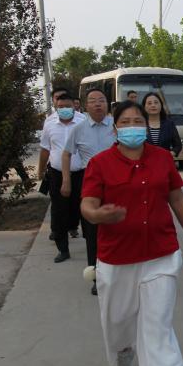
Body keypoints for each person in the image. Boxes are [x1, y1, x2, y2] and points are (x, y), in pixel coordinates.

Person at [80, 100, 183, 366]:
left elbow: (176, 196)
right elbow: (87, 204)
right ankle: (123, 351)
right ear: (115, 128)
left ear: (146, 125)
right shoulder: (100, 164)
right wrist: (98, 214)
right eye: (126, 121)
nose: (132, 126)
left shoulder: (162, 158)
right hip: (117, 256)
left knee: (156, 322)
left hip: (161, 252)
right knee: (117, 318)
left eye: (138, 121)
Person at [62, 88, 116, 295]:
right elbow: (66, 154)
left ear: (107, 104)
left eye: (101, 100)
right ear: (85, 106)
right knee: (92, 233)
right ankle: (97, 277)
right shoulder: (79, 129)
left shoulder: (117, 126)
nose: (97, 104)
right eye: (93, 101)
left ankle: (121, 274)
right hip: (90, 183)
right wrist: (66, 180)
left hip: (117, 181)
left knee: (118, 227)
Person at [37, 94, 86, 263]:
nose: (64, 109)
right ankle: (63, 249)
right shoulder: (50, 123)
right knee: (59, 211)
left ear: (74, 106)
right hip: (57, 173)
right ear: (56, 107)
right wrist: (40, 169)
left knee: (80, 208)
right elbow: (45, 149)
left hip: (80, 173)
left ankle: (80, 232)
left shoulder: (83, 122)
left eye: (68, 106)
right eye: (60, 106)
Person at [142, 92, 182, 156]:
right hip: (145, 160)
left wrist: (170, 154)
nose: (153, 105)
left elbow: (178, 145)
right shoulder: (140, 125)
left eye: (156, 102)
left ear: (161, 105)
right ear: (144, 107)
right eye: (149, 103)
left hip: (164, 160)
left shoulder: (169, 124)